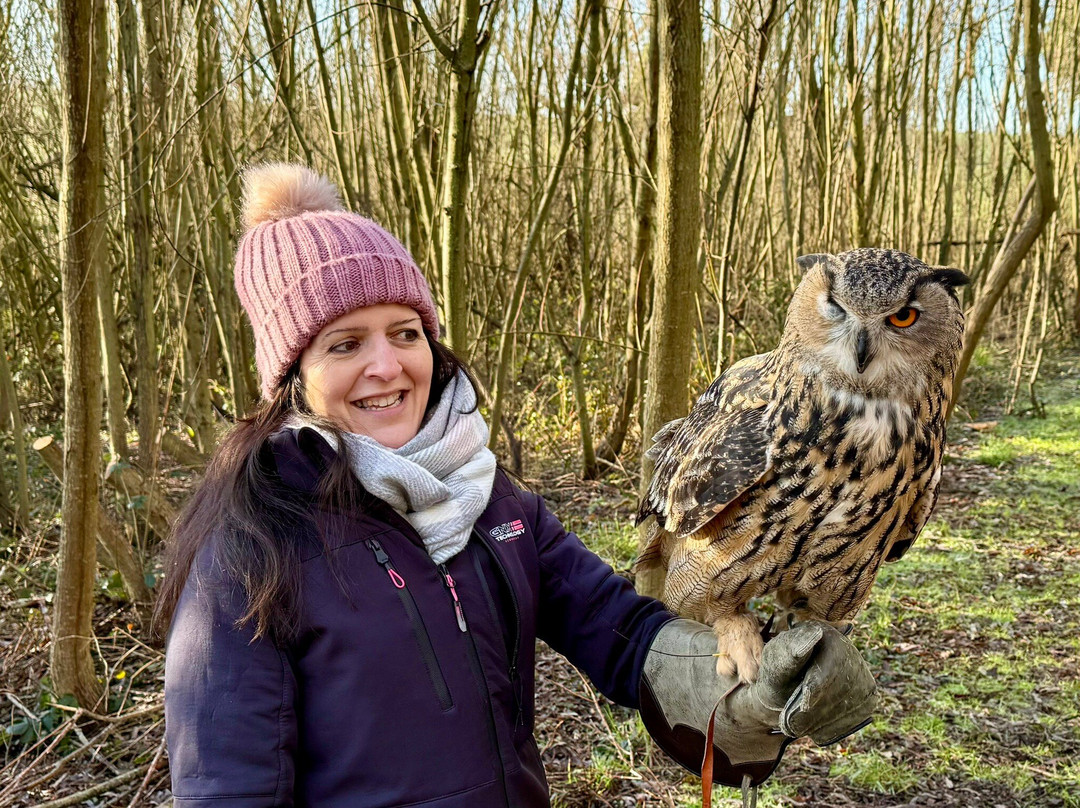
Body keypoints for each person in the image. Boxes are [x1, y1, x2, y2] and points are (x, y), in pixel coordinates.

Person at [157, 163, 877, 808]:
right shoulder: (249, 553)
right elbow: (229, 790)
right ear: (291, 378)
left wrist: (749, 691)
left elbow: (623, 634)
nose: (388, 366)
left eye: (405, 332)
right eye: (345, 344)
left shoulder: (491, 502)